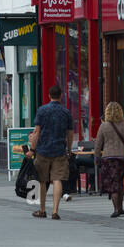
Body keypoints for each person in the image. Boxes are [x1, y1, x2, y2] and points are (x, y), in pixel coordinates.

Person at [29, 84, 74, 219]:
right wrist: (69, 149)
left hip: (43, 150)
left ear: (49, 96)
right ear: (61, 96)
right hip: (59, 150)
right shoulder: (66, 112)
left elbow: (37, 131)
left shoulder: (42, 111)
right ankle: (55, 211)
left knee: (42, 180)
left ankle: (42, 210)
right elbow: (70, 133)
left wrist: (32, 149)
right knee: (57, 179)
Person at [95, 101, 124, 218]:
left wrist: (97, 156)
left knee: (113, 184)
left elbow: (98, 144)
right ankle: (121, 207)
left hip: (108, 158)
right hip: (123, 158)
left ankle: (116, 209)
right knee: (119, 181)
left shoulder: (104, 126)